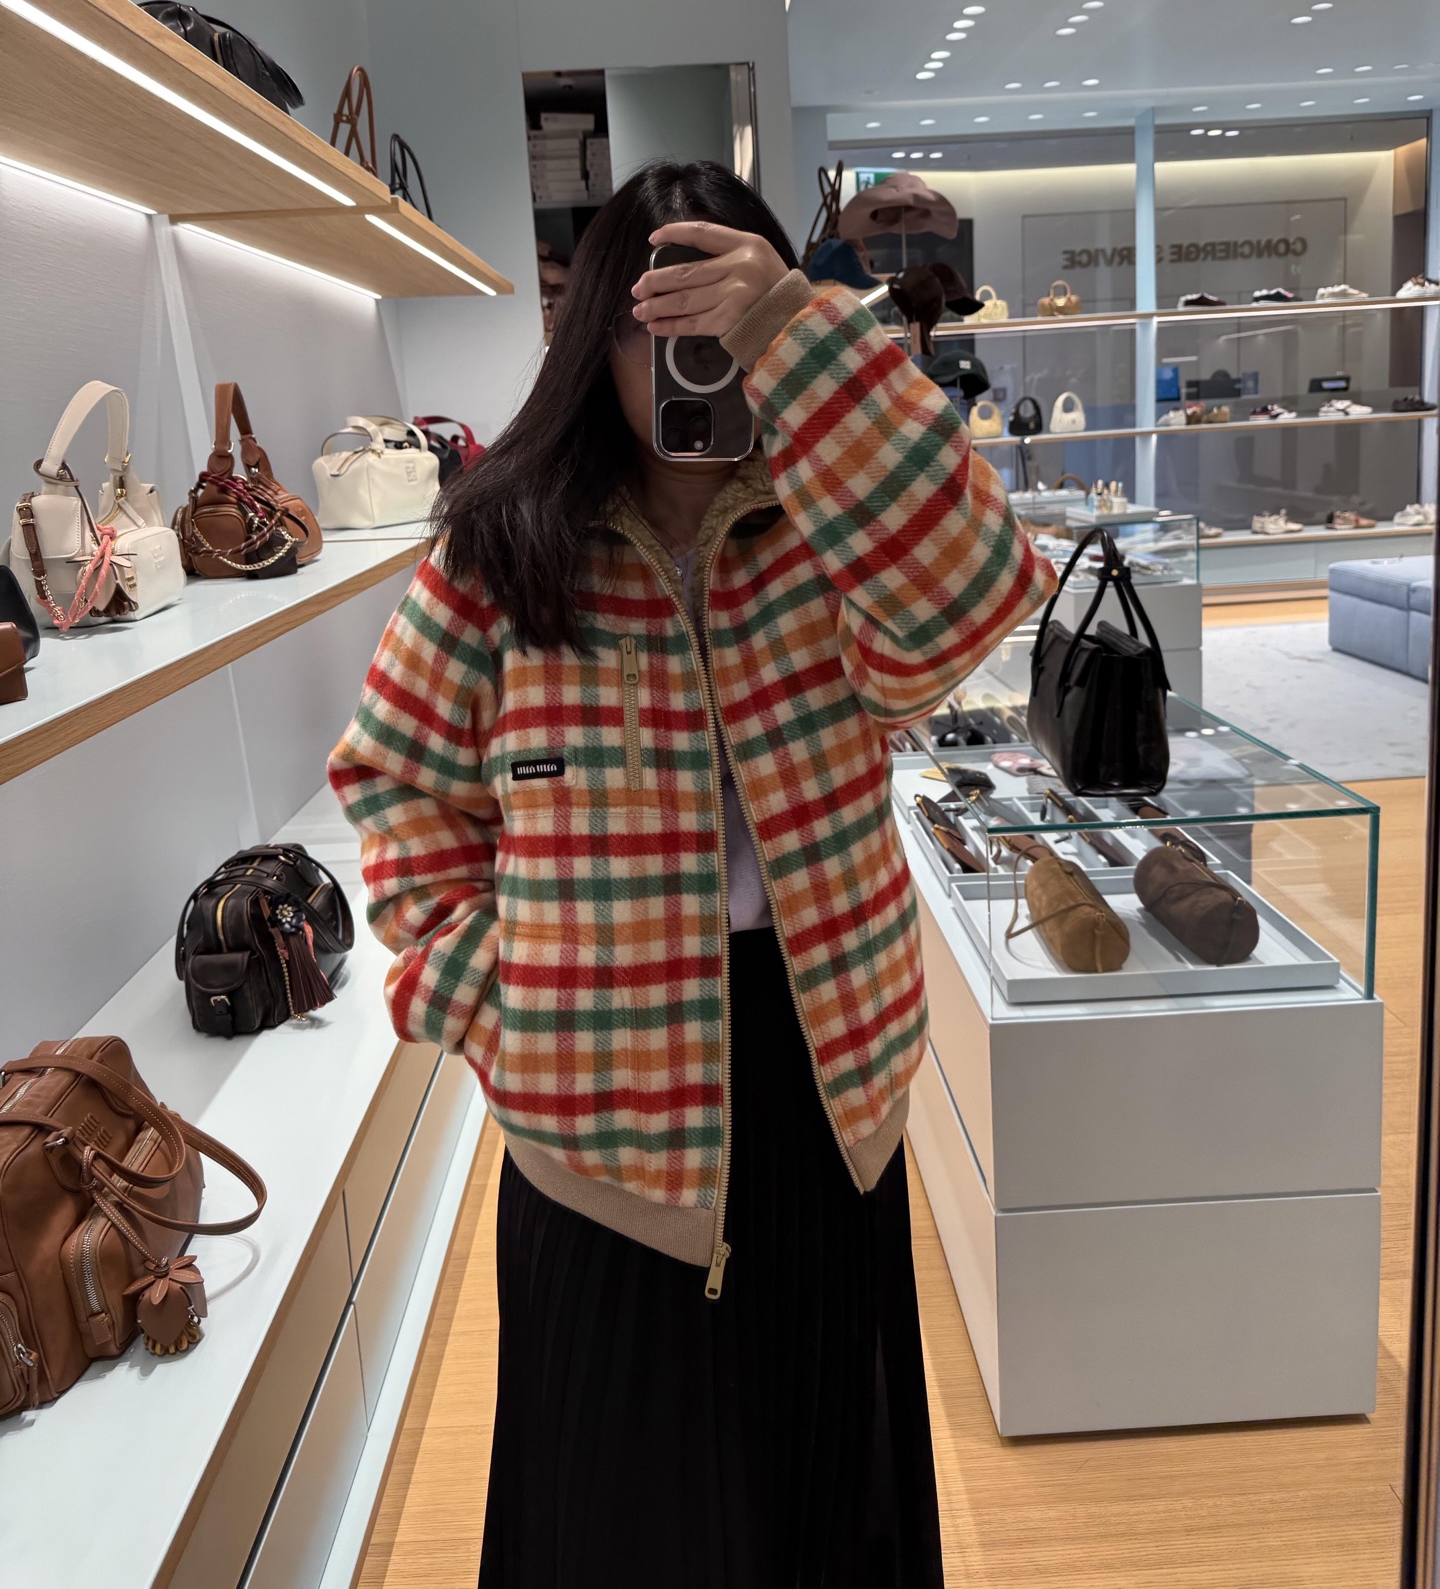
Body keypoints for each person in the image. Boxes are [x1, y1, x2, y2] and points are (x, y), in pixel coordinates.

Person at [329, 161, 1054, 1588]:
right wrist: (495, 1000)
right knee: (616, 1515)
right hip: (595, 1116)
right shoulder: (503, 547)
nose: (687, 357)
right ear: (592, 337)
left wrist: (808, 339)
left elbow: (970, 598)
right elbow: (399, 785)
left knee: (822, 1498)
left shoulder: (833, 520)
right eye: (650, 321)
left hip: (824, 1078)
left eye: (721, 315)